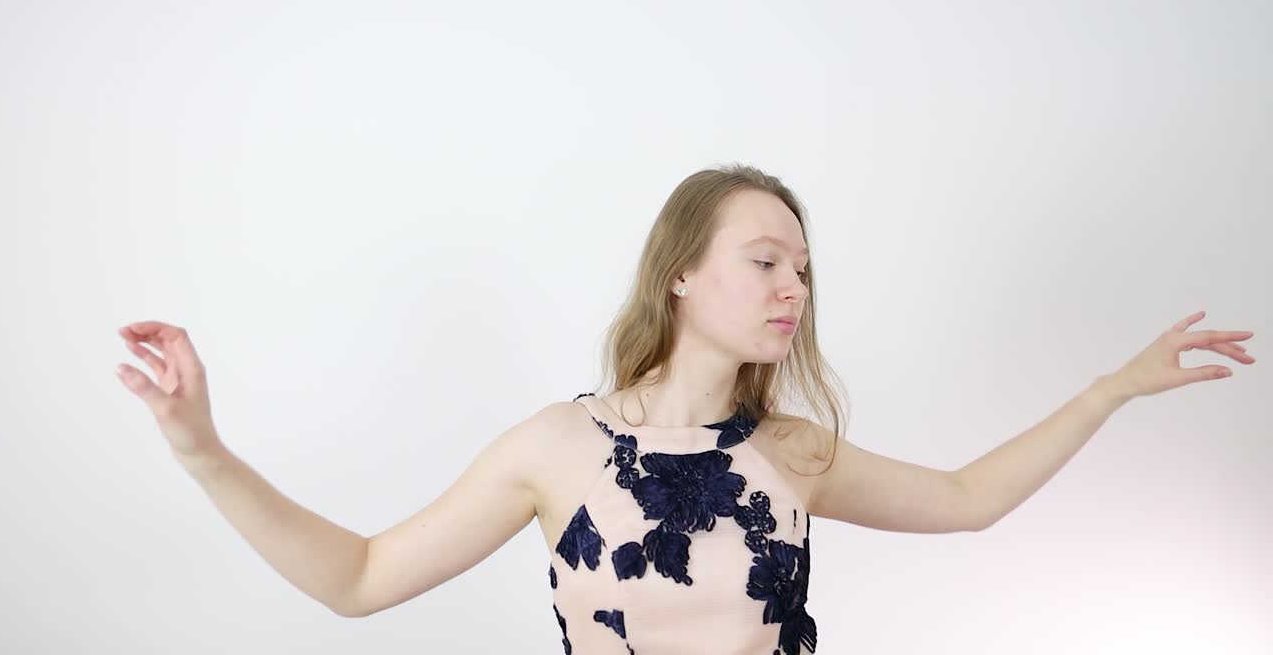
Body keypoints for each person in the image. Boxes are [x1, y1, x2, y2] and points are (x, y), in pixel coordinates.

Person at [116, 164, 1255, 654]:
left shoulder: (792, 454)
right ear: (680, 274)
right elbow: (358, 580)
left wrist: (1112, 387)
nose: (791, 291)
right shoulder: (556, 448)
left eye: (801, 271)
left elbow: (965, 502)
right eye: (763, 262)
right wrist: (204, 450)